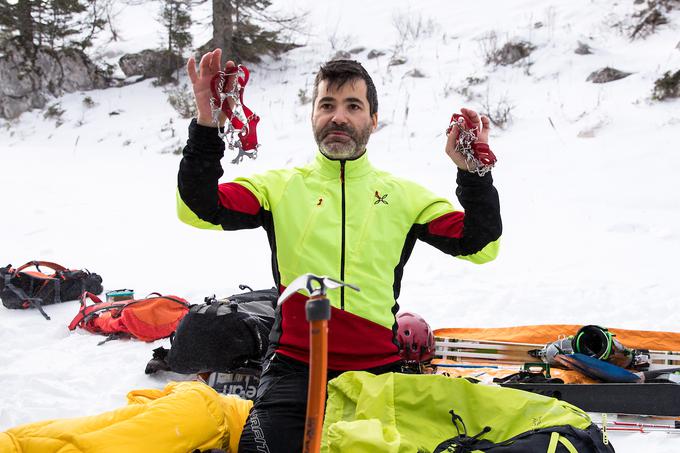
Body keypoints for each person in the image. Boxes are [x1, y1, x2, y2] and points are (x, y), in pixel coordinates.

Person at [177, 48, 502, 453]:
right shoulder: (280, 188)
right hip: (294, 366)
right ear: (313, 116)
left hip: (377, 373)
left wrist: (473, 175)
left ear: (373, 120)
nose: (339, 117)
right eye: (326, 105)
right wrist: (207, 125)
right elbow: (198, 206)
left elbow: (481, 243)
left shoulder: (405, 197)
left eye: (353, 105)